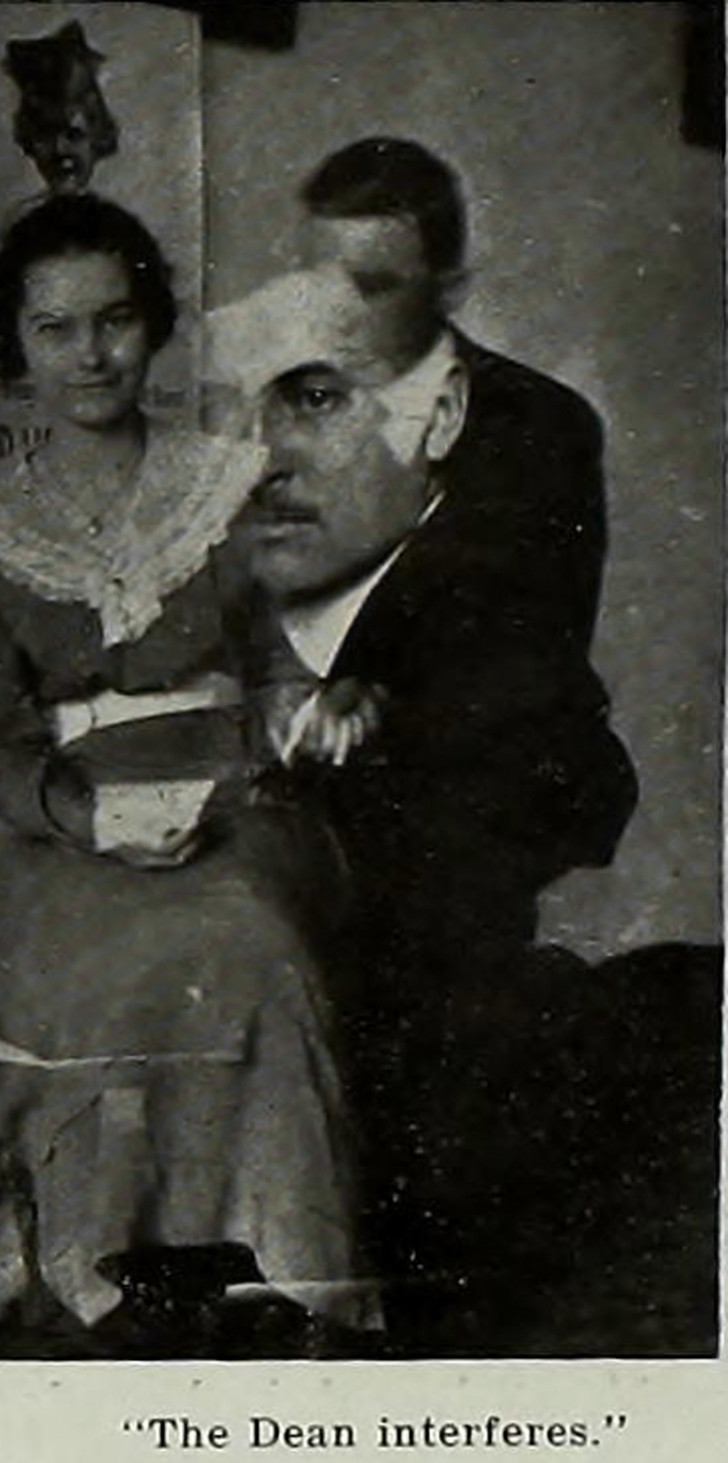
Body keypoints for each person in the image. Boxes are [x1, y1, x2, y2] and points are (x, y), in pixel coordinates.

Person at [0, 194, 380, 1359]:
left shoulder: (233, 484)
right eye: (54, 328)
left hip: (234, 801)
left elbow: (279, 671)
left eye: (115, 319)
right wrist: (87, 817)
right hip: (59, 832)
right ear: (13, 344)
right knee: (102, 967)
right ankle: (117, 1277)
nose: (90, 354)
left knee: (246, 942)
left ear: (155, 324)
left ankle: (285, 1278)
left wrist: (316, 706)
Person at [211, 151, 638, 1333]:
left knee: (424, 952)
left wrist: (354, 701)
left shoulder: (536, 426)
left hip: (475, 759)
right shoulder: (273, 402)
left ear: (448, 287)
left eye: (374, 283)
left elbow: (512, 647)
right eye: (316, 277)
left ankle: (428, 1281)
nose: (335, 310)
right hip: (317, 756)